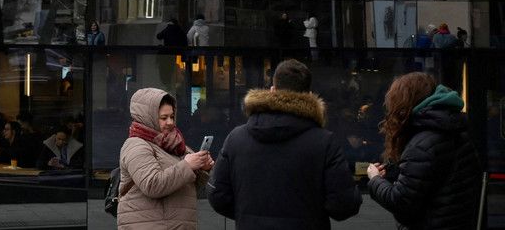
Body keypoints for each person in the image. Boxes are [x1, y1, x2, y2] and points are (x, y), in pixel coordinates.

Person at [207, 59, 361, 228]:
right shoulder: (324, 142)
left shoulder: (236, 139)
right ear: (309, 95)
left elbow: (218, 195)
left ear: (272, 91)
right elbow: (344, 205)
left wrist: (247, 216)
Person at [366, 73, 482, 229]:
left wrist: (374, 180)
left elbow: (401, 204)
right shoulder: (457, 130)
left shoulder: (421, 145)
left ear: (405, 104)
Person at [118, 88, 212, 229]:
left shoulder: (175, 144)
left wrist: (202, 169)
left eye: (172, 117)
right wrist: (187, 165)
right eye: (163, 118)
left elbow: (186, 187)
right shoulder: (136, 145)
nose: (170, 122)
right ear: (147, 117)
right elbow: (152, 184)